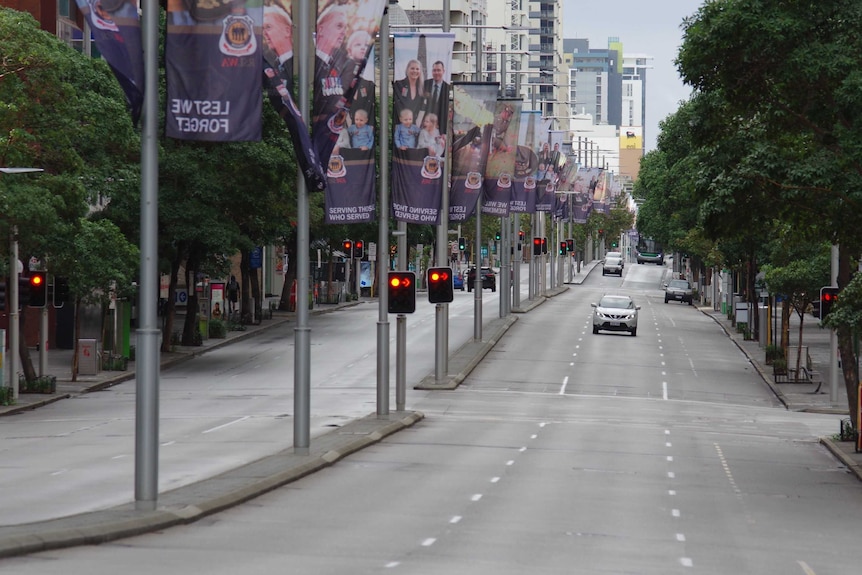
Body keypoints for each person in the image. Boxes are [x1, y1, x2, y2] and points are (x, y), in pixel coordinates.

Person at [262, 3, 293, 86]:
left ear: (287, 31)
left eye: (268, 27)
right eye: (262, 28)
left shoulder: (292, 63)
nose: (264, 33)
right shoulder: (273, 64)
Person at [393, 59, 426, 126]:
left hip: (415, 126)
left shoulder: (422, 88)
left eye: (417, 69)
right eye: (412, 68)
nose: (415, 71)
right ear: (407, 70)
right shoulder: (399, 85)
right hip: (400, 125)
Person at [423, 60, 449, 135]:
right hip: (426, 126)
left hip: (441, 125)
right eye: (434, 70)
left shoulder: (447, 88)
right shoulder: (425, 84)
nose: (436, 73)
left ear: (443, 71)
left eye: (438, 70)